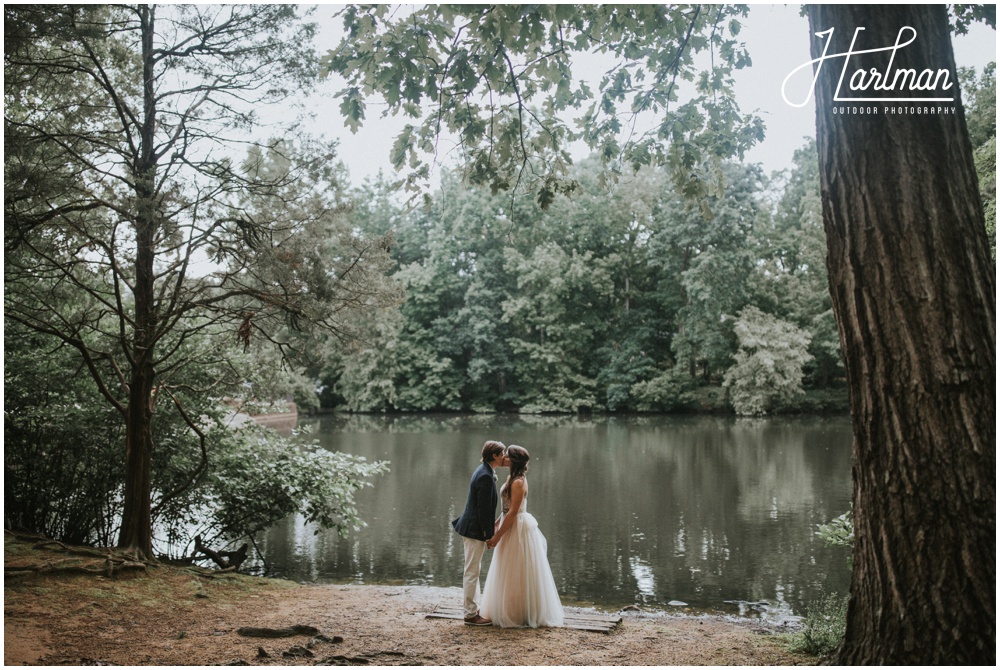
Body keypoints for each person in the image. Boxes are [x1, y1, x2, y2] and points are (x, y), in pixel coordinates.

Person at [480, 445, 564, 628]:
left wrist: (497, 537)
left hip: (517, 529)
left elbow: (512, 513)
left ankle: (518, 613)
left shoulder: (518, 482)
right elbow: (505, 510)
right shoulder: (512, 478)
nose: (503, 457)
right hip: (508, 524)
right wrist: (496, 523)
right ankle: (505, 608)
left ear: (514, 460)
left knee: (516, 569)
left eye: (507, 455)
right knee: (507, 569)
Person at [451, 439, 506, 626]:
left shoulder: (484, 470)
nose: (504, 457)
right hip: (474, 530)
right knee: (472, 572)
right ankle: (470, 615)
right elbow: (483, 511)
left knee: (474, 570)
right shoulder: (485, 476)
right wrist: (488, 535)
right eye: (502, 454)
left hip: (474, 528)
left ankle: (473, 609)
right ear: (494, 456)